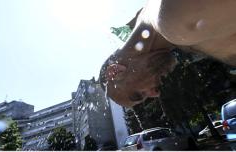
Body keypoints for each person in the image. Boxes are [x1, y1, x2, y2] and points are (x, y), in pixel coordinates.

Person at [100, 0, 236, 108]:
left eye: (138, 94)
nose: (155, 93)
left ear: (116, 71)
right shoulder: (149, 12)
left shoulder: (177, 23)